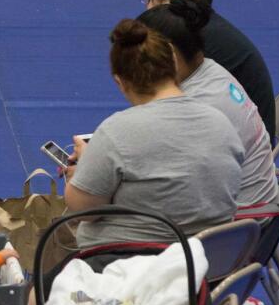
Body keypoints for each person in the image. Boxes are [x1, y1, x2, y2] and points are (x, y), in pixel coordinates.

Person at [64, 20, 245, 247]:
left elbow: (83, 210)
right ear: (173, 67)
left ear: (120, 82)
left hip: (129, 267)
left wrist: (80, 172)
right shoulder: (221, 122)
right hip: (211, 265)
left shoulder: (116, 131)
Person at [138, 0, 279, 208]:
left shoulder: (193, 110)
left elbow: (157, 189)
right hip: (248, 212)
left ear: (169, 55)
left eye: (140, 57)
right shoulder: (211, 69)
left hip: (230, 230)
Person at [144, 0, 277, 141]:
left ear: (194, 0)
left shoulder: (201, 44)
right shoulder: (201, 31)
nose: (151, 8)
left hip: (235, 155)